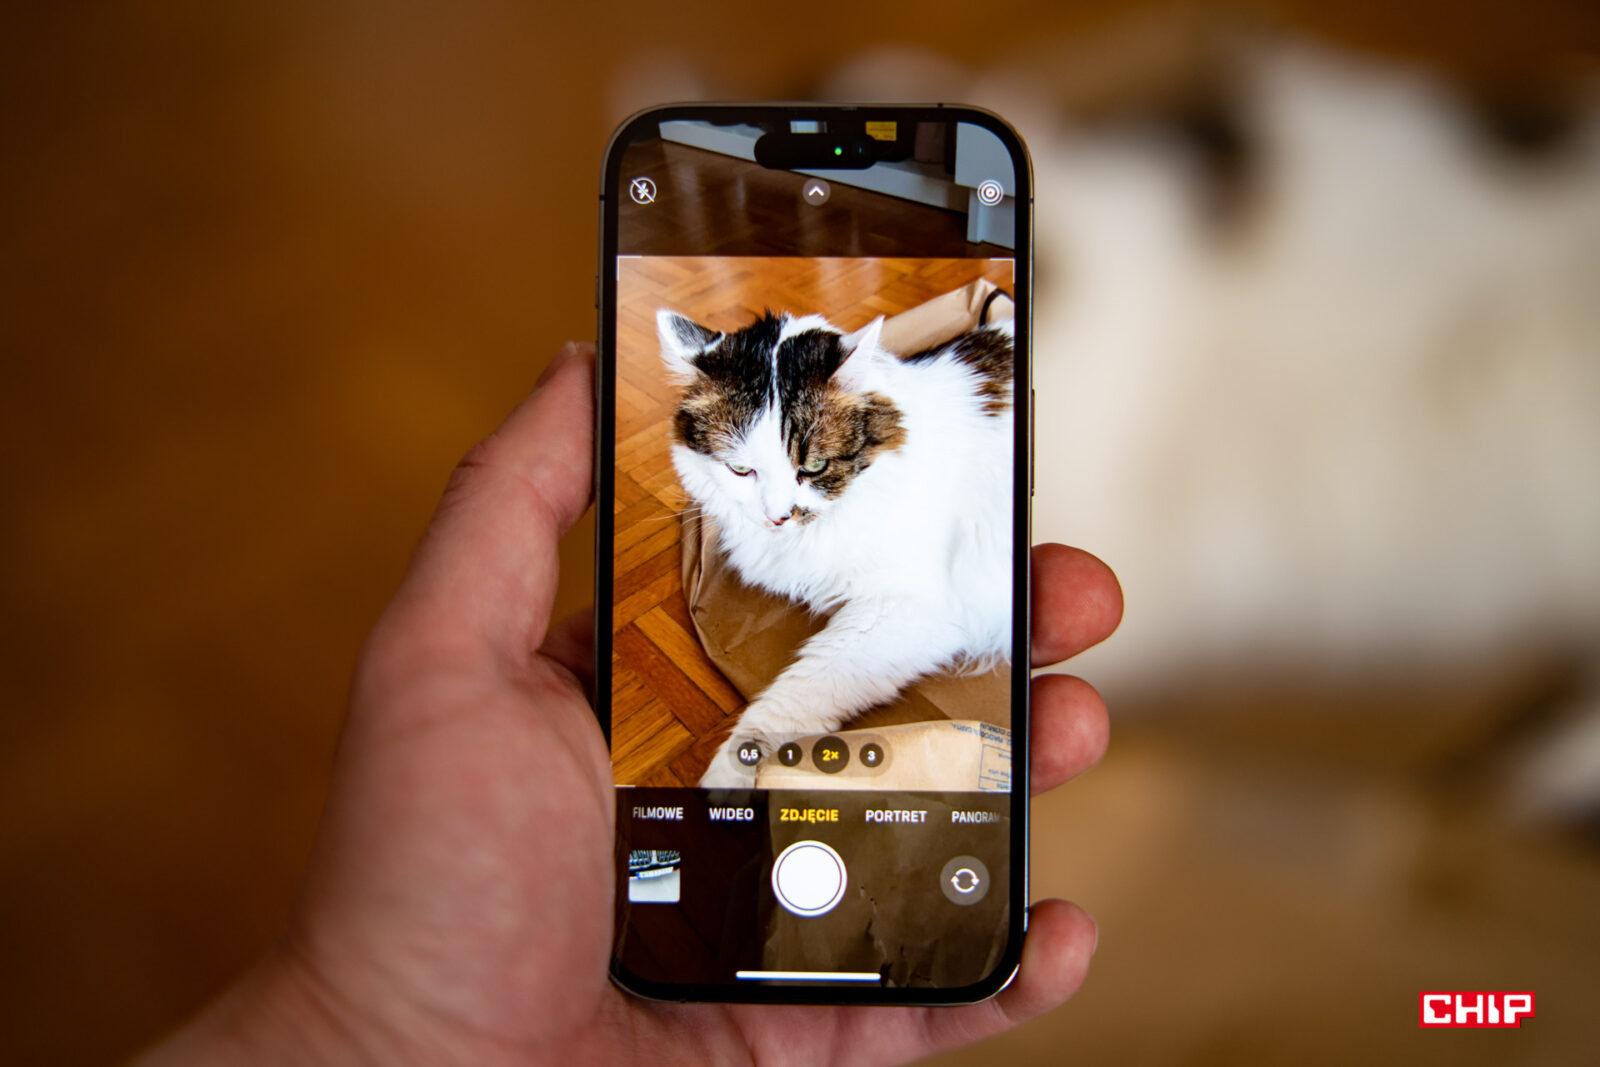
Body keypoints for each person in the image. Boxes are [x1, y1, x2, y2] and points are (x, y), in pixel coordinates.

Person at [137, 342, 1123, 1066]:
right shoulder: (767, 449)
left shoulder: (881, 442)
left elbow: (907, 618)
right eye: (745, 472)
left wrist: (764, 734)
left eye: (805, 474)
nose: (776, 505)